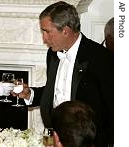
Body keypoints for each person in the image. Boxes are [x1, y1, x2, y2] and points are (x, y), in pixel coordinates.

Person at [16, 1, 114, 147]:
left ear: (66, 31)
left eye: (47, 31)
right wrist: (29, 94)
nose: (44, 38)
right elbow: (55, 91)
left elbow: (114, 108)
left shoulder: (101, 58)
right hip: (54, 138)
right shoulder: (53, 54)